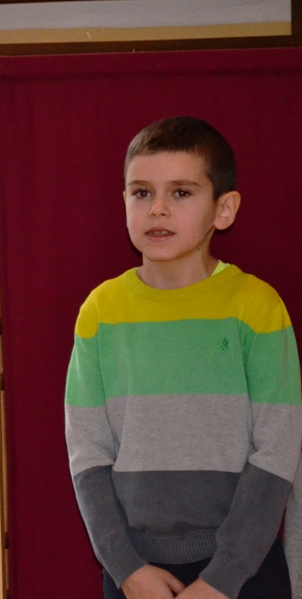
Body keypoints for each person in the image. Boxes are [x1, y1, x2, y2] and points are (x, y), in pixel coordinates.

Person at [64, 116, 302, 599]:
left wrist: (222, 579)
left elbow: (278, 451)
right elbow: (87, 454)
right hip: (135, 576)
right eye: (141, 193)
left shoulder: (257, 307)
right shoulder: (100, 311)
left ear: (224, 209)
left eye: (181, 192)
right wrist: (125, 567)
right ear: (124, 202)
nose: (158, 209)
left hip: (244, 572)